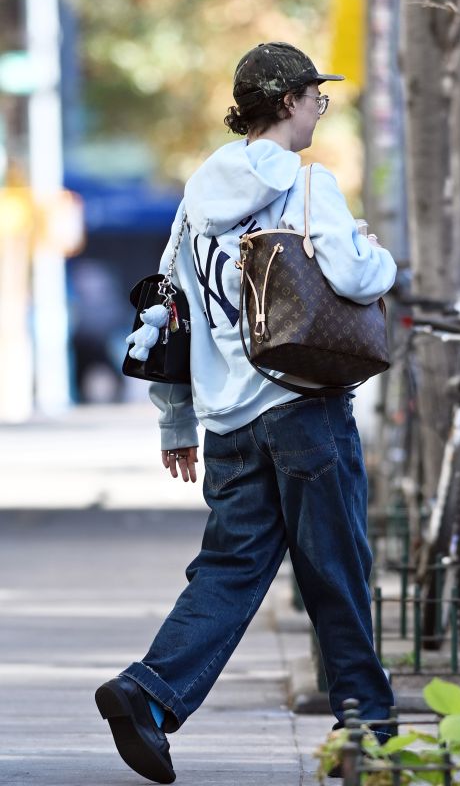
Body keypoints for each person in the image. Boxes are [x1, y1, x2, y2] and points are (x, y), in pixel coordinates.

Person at [95, 41, 397, 784]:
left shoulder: (195, 199)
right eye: (315, 100)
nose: (318, 112)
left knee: (229, 572)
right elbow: (357, 279)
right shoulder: (306, 184)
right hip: (303, 408)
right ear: (290, 101)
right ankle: (368, 723)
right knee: (336, 568)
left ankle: (147, 694)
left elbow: (164, 306)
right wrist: (378, 255)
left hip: (229, 421)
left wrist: (176, 423)